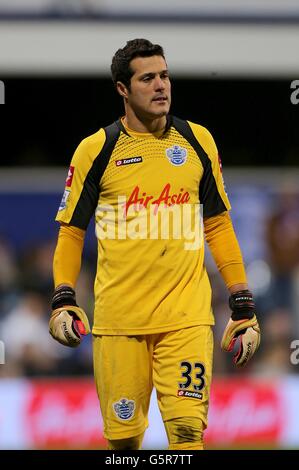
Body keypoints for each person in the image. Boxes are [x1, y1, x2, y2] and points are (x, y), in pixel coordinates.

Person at [49, 38, 261, 450]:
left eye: (164, 75)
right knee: (125, 443)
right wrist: (62, 298)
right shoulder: (97, 150)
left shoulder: (198, 141)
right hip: (119, 324)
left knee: (186, 433)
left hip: (187, 318)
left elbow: (218, 225)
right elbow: (71, 231)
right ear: (123, 90)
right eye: (148, 78)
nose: (161, 85)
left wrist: (243, 303)